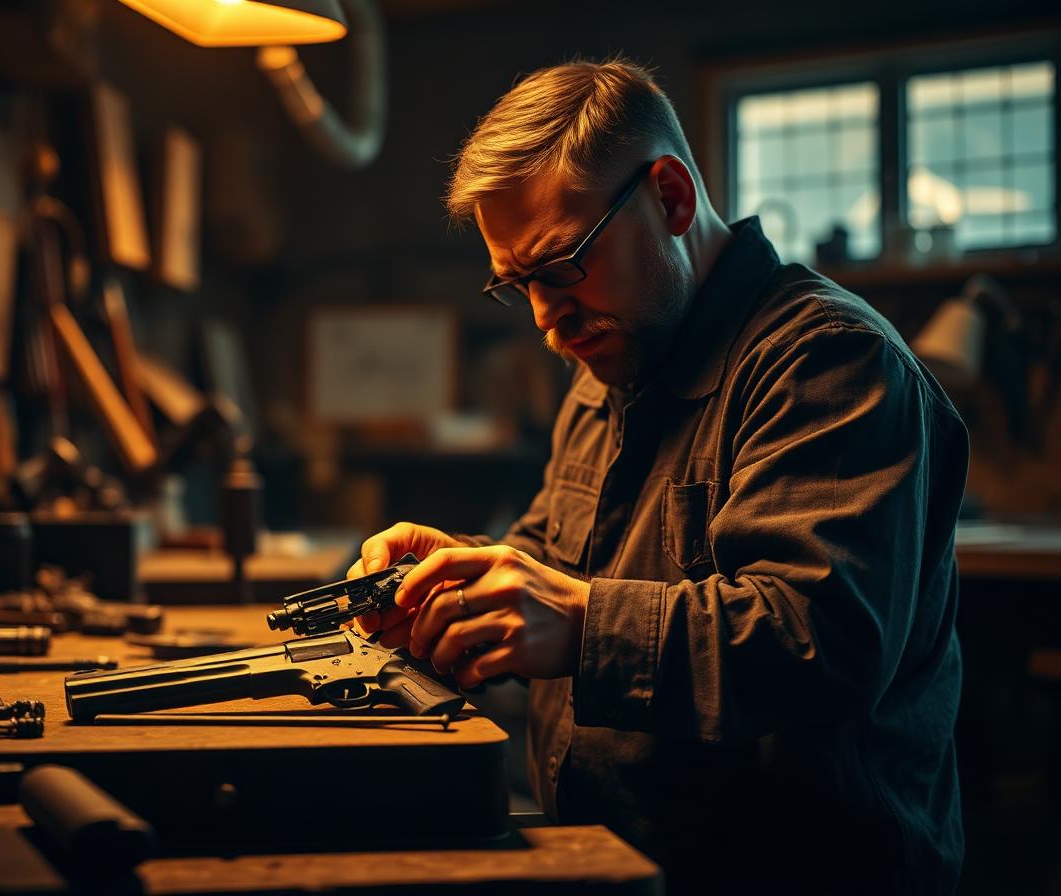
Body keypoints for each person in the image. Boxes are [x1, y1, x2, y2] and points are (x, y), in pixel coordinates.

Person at [350, 57, 967, 894]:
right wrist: (455, 579)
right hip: (619, 862)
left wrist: (577, 624)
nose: (544, 319)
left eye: (561, 266)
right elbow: (556, 558)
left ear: (671, 198)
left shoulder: (827, 362)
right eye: (517, 284)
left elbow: (818, 643)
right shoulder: (607, 356)